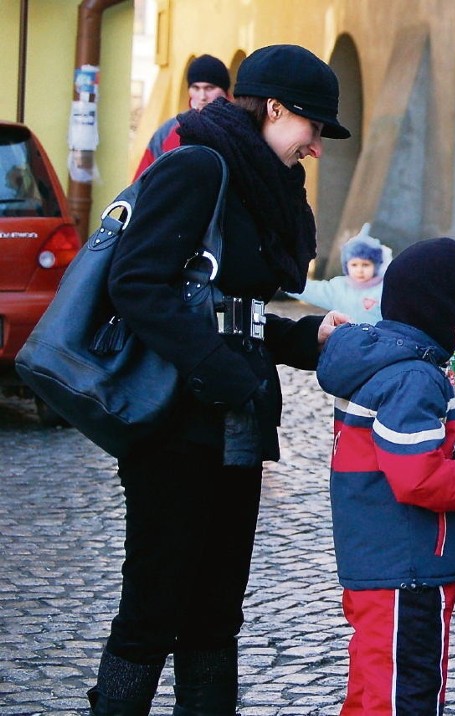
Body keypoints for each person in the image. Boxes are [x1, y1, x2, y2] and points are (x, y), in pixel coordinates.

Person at [86, 44, 351, 716]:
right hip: (172, 425)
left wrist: (301, 338)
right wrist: (219, 370)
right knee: (152, 608)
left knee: (214, 614)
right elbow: (137, 284)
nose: (316, 146)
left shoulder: (263, 183)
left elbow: (239, 306)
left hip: (235, 425)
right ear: (273, 108)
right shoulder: (199, 166)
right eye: (312, 127)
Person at [316, 237, 455, 716]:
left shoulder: (382, 364)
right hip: (408, 565)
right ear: (441, 317)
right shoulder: (415, 378)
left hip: (379, 559)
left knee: (372, 686)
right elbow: (417, 477)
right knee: (405, 693)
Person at [133, 54, 231, 180]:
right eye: (196, 88)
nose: (202, 96)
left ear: (225, 91)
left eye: (209, 88)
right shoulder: (168, 130)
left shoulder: (239, 128)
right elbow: (141, 181)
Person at [285, 223, 390, 324]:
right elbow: (314, 290)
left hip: (376, 338)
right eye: (354, 265)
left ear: (376, 266)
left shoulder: (383, 289)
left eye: (365, 265)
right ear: (346, 266)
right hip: (345, 337)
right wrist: (287, 280)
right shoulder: (339, 287)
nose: (360, 270)